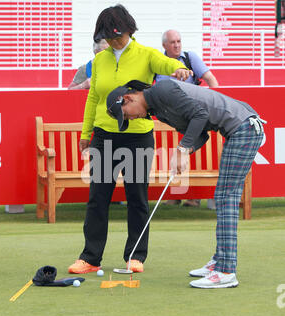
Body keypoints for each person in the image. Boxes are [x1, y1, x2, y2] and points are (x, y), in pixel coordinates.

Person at [68, 4, 192, 275]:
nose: (113, 41)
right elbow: (93, 98)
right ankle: (90, 257)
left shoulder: (146, 55)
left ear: (129, 31)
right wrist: (86, 134)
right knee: (98, 197)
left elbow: (168, 64)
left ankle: (135, 256)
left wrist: (179, 68)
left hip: (137, 137)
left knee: (137, 197)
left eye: (117, 35)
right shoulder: (99, 60)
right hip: (103, 137)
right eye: (107, 36)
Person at [106, 78, 266, 288]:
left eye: (127, 114)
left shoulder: (162, 89)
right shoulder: (159, 110)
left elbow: (201, 115)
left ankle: (226, 271)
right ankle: (220, 261)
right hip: (239, 130)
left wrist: (182, 150)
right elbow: (201, 132)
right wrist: (186, 151)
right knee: (224, 196)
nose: (132, 118)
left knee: (226, 197)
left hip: (244, 128)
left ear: (128, 98)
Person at [155, 29, 219, 209]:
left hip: (193, 117)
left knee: (192, 154)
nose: (177, 45)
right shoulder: (158, 62)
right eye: (173, 42)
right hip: (169, 121)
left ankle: (194, 197)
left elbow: (211, 80)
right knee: (173, 156)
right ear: (164, 46)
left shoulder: (190, 58)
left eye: (179, 41)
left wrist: (215, 103)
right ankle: (175, 195)